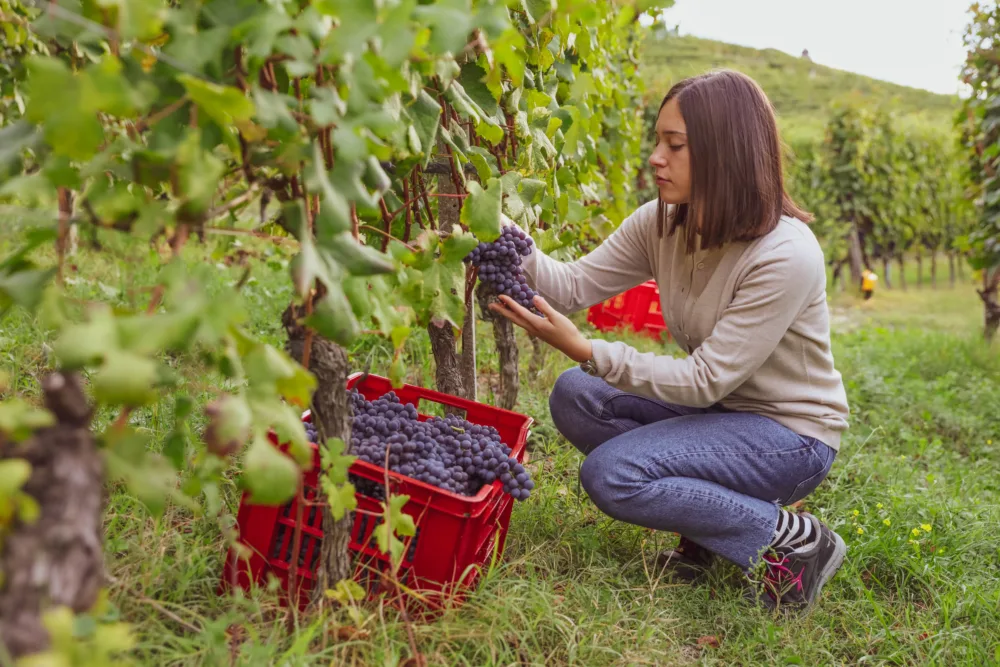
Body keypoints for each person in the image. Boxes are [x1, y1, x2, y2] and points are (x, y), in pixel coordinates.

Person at [489, 69, 850, 611]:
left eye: (674, 145)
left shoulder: (784, 254)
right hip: (722, 414)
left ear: (725, 151)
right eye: (659, 141)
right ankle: (710, 533)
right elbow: (571, 286)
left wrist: (590, 350)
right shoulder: (663, 223)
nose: (656, 157)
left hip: (789, 436)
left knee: (612, 475)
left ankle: (792, 542)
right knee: (575, 394)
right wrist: (489, 220)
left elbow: (704, 382)